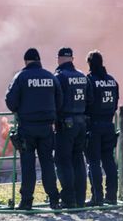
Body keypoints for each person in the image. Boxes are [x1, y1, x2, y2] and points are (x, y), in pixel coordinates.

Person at [6, 48, 62, 210]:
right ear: (39, 60)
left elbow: (11, 101)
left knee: (28, 165)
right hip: (46, 128)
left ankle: (26, 201)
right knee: (48, 164)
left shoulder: (21, 77)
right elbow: (60, 101)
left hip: (28, 128)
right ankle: (54, 199)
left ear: (26, 61)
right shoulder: (50, 76)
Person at [54, 47, 93, 208]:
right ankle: (80, 198)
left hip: (65, 124)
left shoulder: (60, 77)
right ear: (72, 58)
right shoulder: (83, 76)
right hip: (81, 123)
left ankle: (68, 199)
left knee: (63, 161)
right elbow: (90, 100)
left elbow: (56, 101)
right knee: (78, 160)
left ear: (59, 58)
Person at [85, 50, 119, 206]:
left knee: (93, 162)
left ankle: (97, 197)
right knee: (109, 162)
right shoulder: (112, 81)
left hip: (94, 126)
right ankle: (111, 196)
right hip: (109, 126)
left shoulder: (89, 81)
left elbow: (87, 103)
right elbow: (115, 103)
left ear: (90, 63)